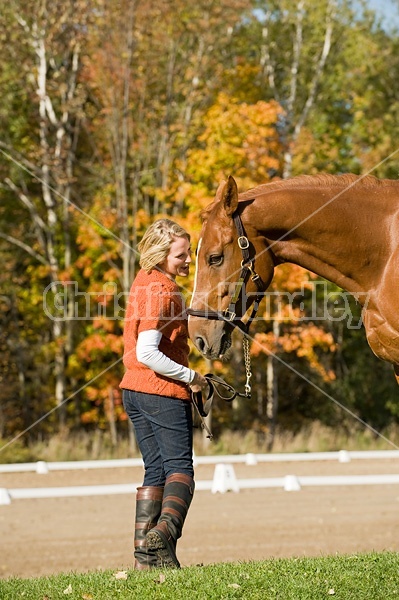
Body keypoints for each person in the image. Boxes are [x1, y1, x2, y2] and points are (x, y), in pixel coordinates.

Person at [120, 219, 207, 570]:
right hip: (161, 391)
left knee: (154, 471)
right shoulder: (163, 290)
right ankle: (165, 534)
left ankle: (145, 562)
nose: (188, 261)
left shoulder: (144, 282)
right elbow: (147, 352)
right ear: (160, 254)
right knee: (180, 470)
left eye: (188, 254)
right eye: (180, 255)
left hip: (133, 391)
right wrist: (193, 377)